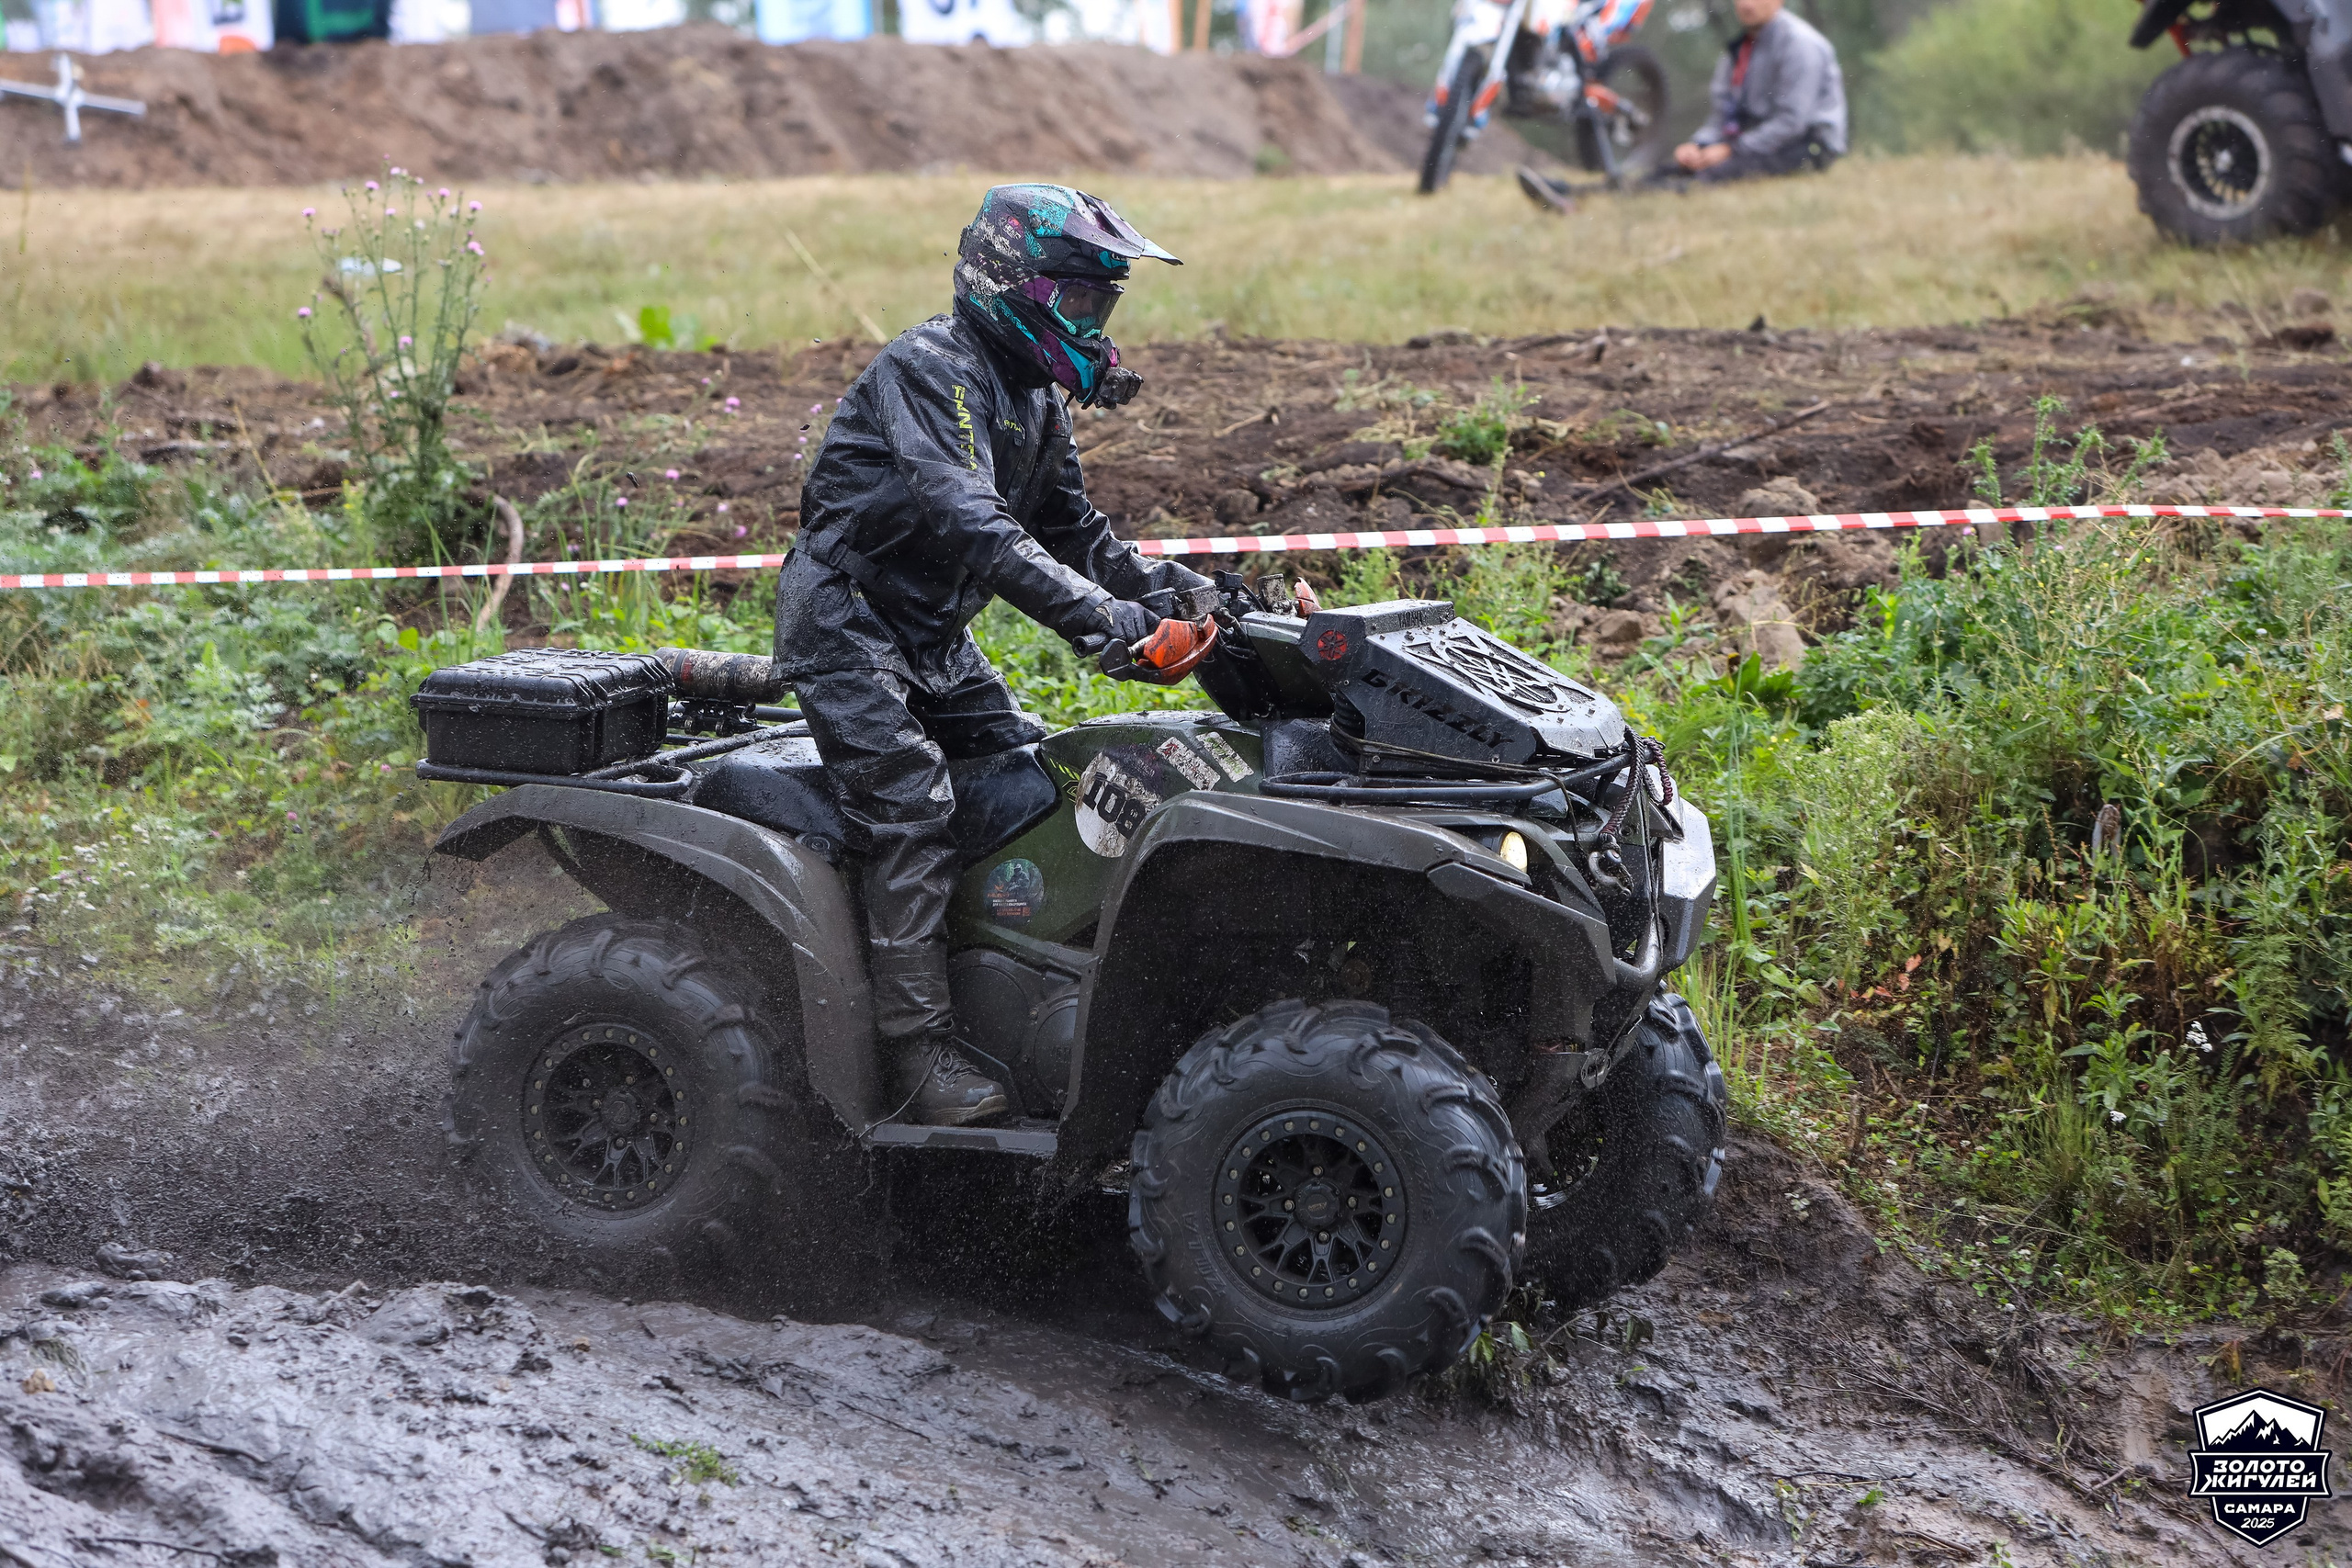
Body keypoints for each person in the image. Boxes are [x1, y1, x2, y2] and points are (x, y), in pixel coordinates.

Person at [774, 184, 1212, 1129]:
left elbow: (1074, 531)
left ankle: (1006, 990)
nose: (1093, 325)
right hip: (851, 621)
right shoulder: (932, 368)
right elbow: (975, 524)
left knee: (1023, 785)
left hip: (929, 633)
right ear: (1012, 281)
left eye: (1103, 307)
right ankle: (915, 1054)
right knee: (911, 801)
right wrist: (1106, 622)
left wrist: (1181, 591)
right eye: (1080, 303)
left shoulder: (1029, 392)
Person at [1672, 0, 1846, 182]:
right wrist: (1699, 145)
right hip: (1753, 144)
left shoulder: (1800, 44)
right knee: (1668, 173)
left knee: (1707, 179)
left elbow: (1792, 123)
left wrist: (1731, 149)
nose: (1747, 4)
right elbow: (1723, 114)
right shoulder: (1738, 49)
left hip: (1807, 145)